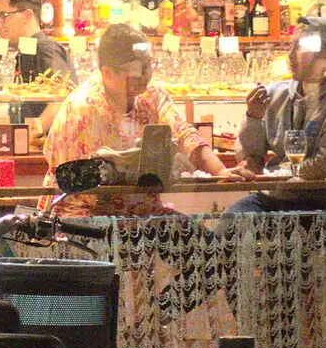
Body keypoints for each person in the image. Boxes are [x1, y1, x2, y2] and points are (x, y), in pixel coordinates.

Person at [42, 21, 227, 214]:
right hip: (83, 213)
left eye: (149, 67)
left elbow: (184, 134)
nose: (146, 76)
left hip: (139, 213)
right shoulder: (82, 108)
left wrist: (221, 171)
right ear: (108, 73)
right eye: (137, 71)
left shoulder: (152, 95)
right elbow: (78, 189)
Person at [226, 15, 326, 213]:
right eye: (290, 47)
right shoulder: (278, 94)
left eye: (300, 47)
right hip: (275, 196)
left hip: (323, 204)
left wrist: (273, 172)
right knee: (233, 222)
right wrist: (254, 118)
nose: (290, 55)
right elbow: (249, 156)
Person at [0, 0, 75, 132]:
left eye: (3, 15)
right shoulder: (26, 50)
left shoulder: (44, 48)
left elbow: (63, 96)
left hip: (47, 151)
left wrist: (32, 134)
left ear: (27, 15)